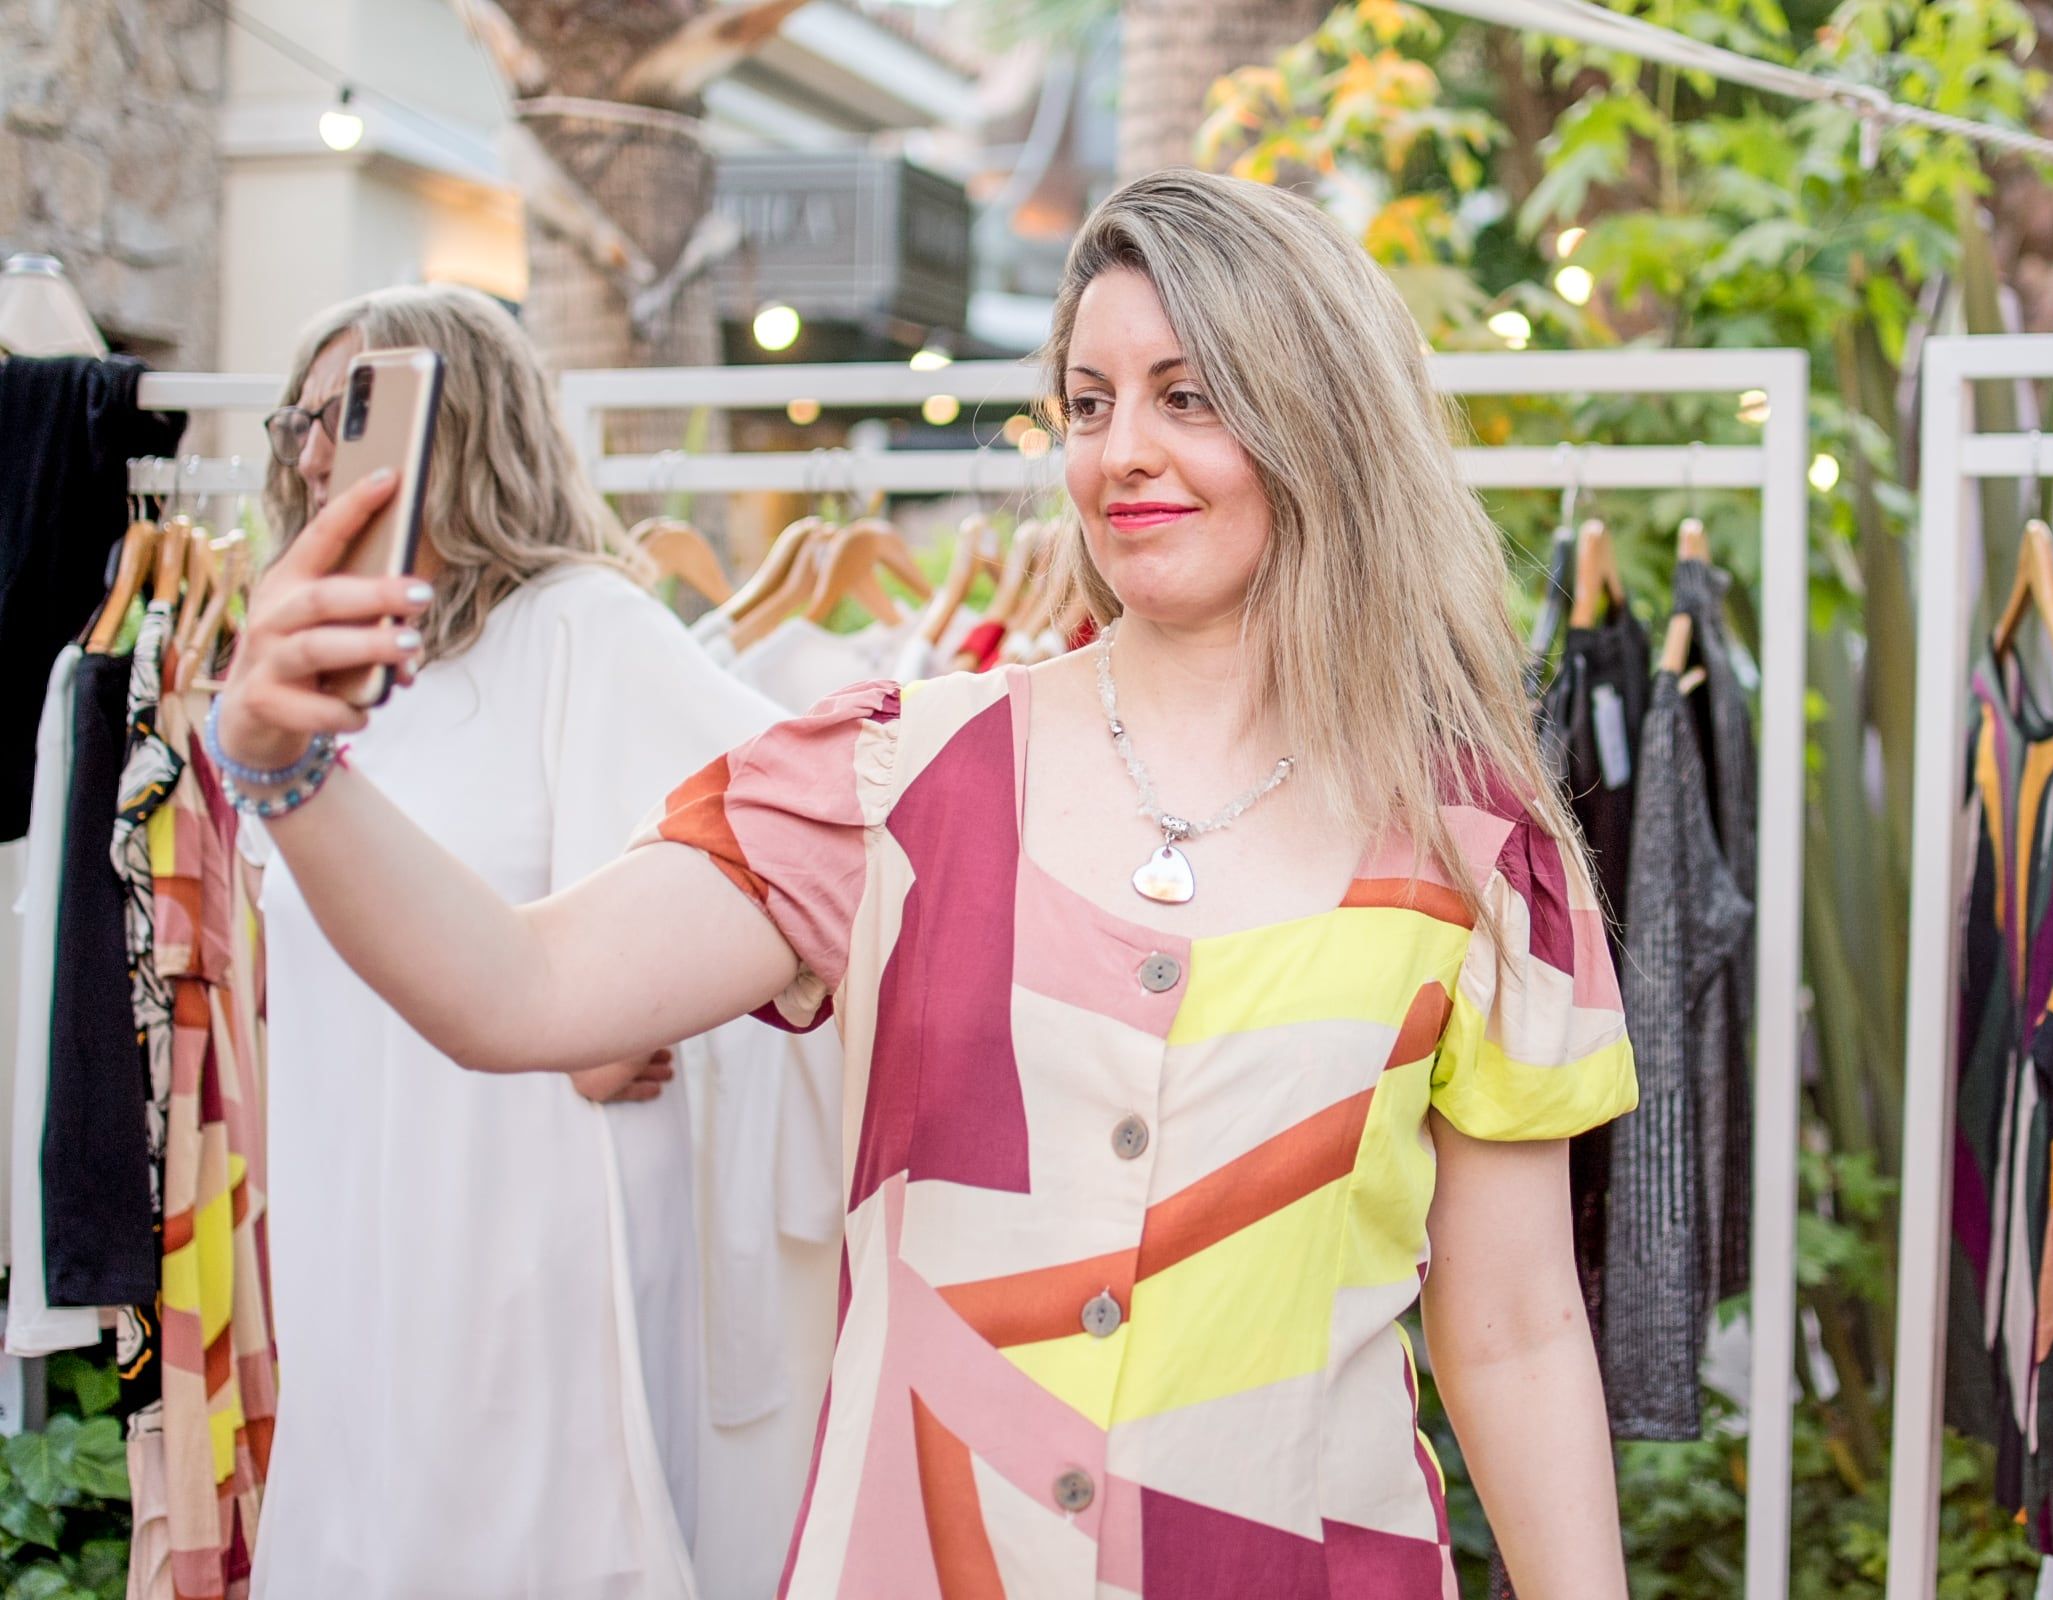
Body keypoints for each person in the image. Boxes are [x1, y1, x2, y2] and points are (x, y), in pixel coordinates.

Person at [216, 173, 1637, 1597]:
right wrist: (284, 768)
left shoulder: (1474, 848)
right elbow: (522, 993)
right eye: (1089, 403)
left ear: (1320, 419)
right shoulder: (890, 781)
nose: (1122, 453)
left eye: (1189, 397)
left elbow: (1512, 1329)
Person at [240, 284, 830, 1600]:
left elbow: (795, 855)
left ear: (469, 424)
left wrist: (642, 1013)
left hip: (531, 1208)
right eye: (306, 420)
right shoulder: (325, 673)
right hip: (359, 1197)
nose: (323, 453)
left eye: (361, 410)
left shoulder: (582, 626)